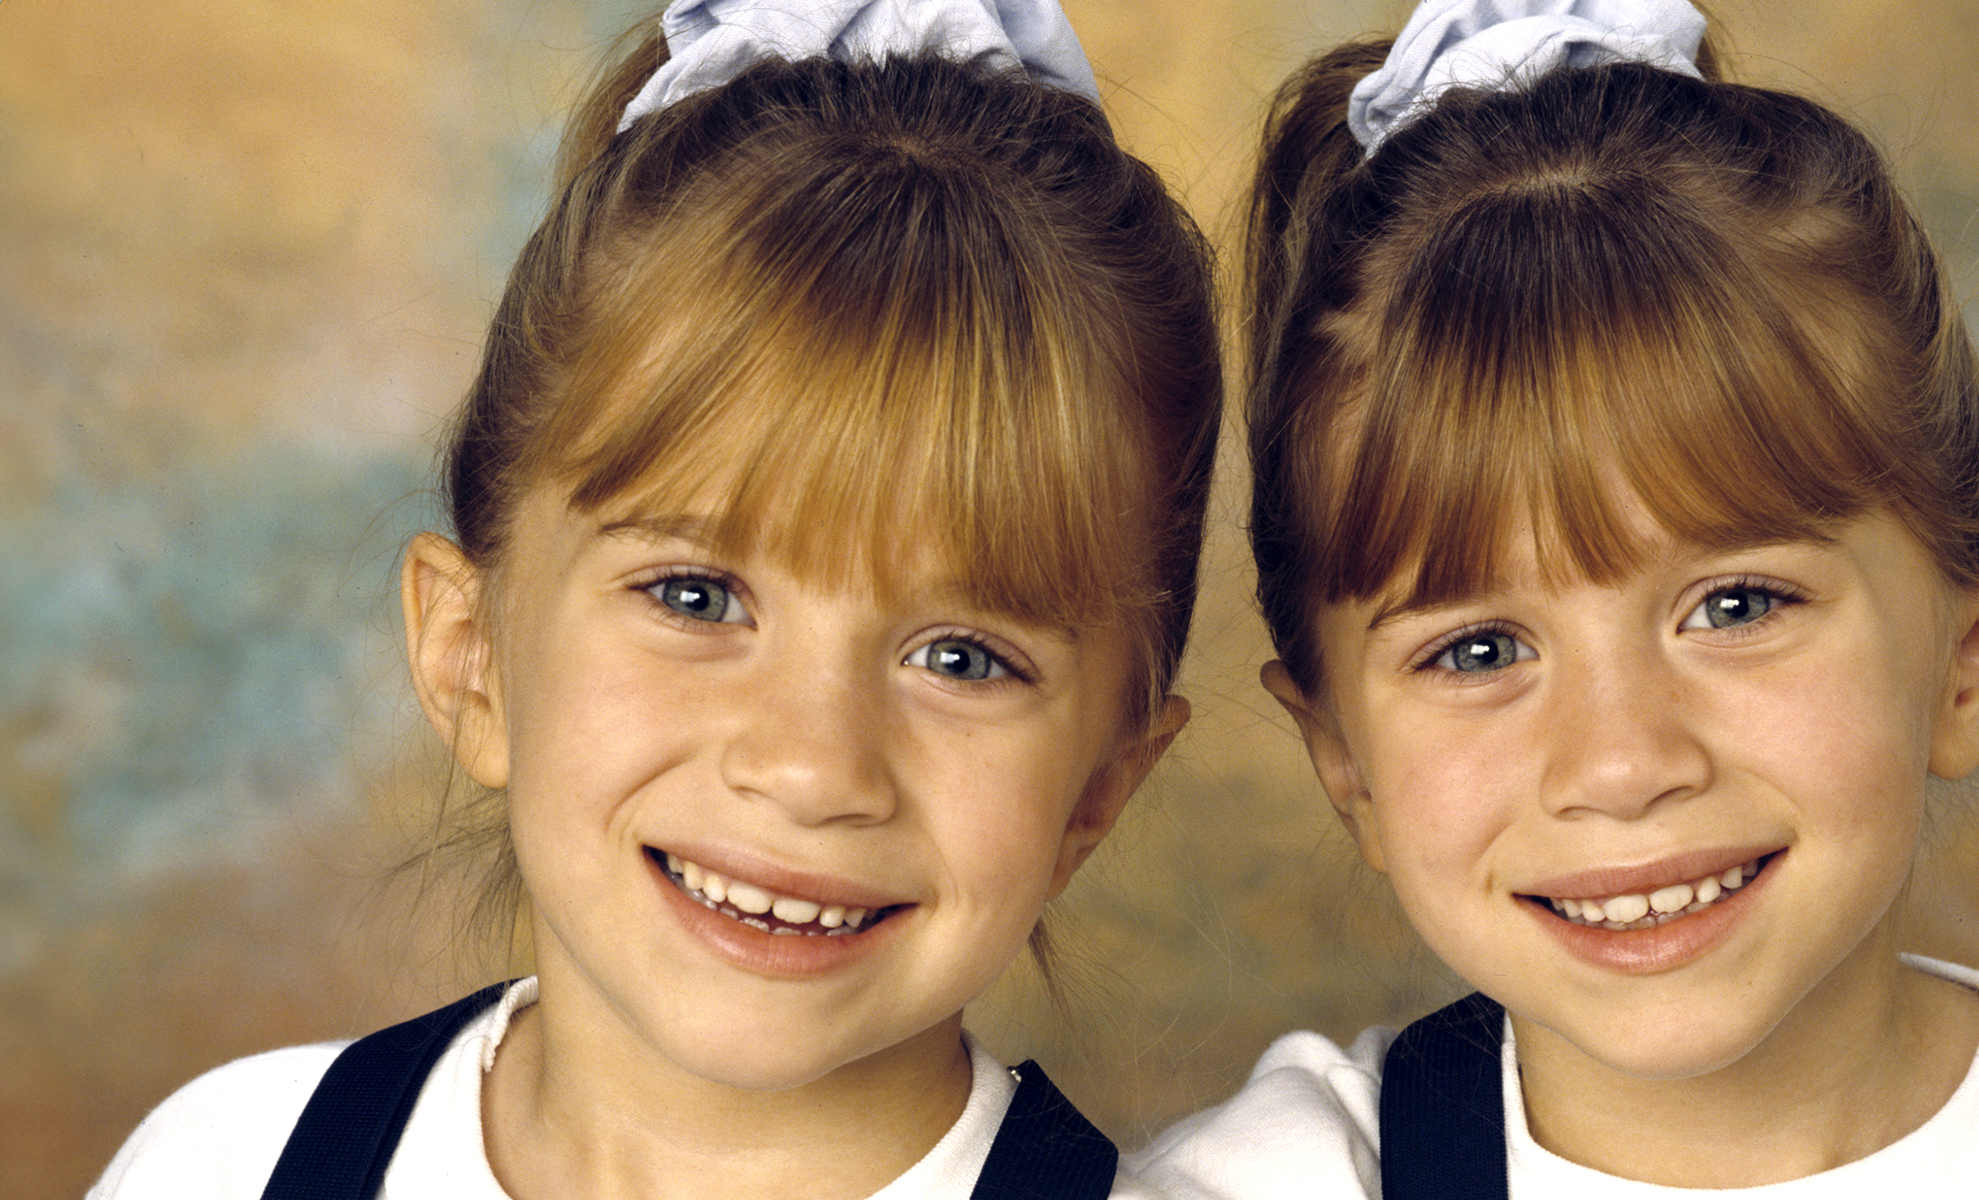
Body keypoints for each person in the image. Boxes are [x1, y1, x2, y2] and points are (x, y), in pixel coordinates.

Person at [1132, 0, 1979, 1196]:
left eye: (1735, 607)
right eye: (1478, 648)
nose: (1623, 762)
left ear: (1975, 655)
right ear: (1344, 761)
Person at [90, 1, 1219, 1196]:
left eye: (961, 658)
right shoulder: (221, 1160)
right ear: (472, 655)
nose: (812, 767)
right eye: (696, 595)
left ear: (1098, 791)